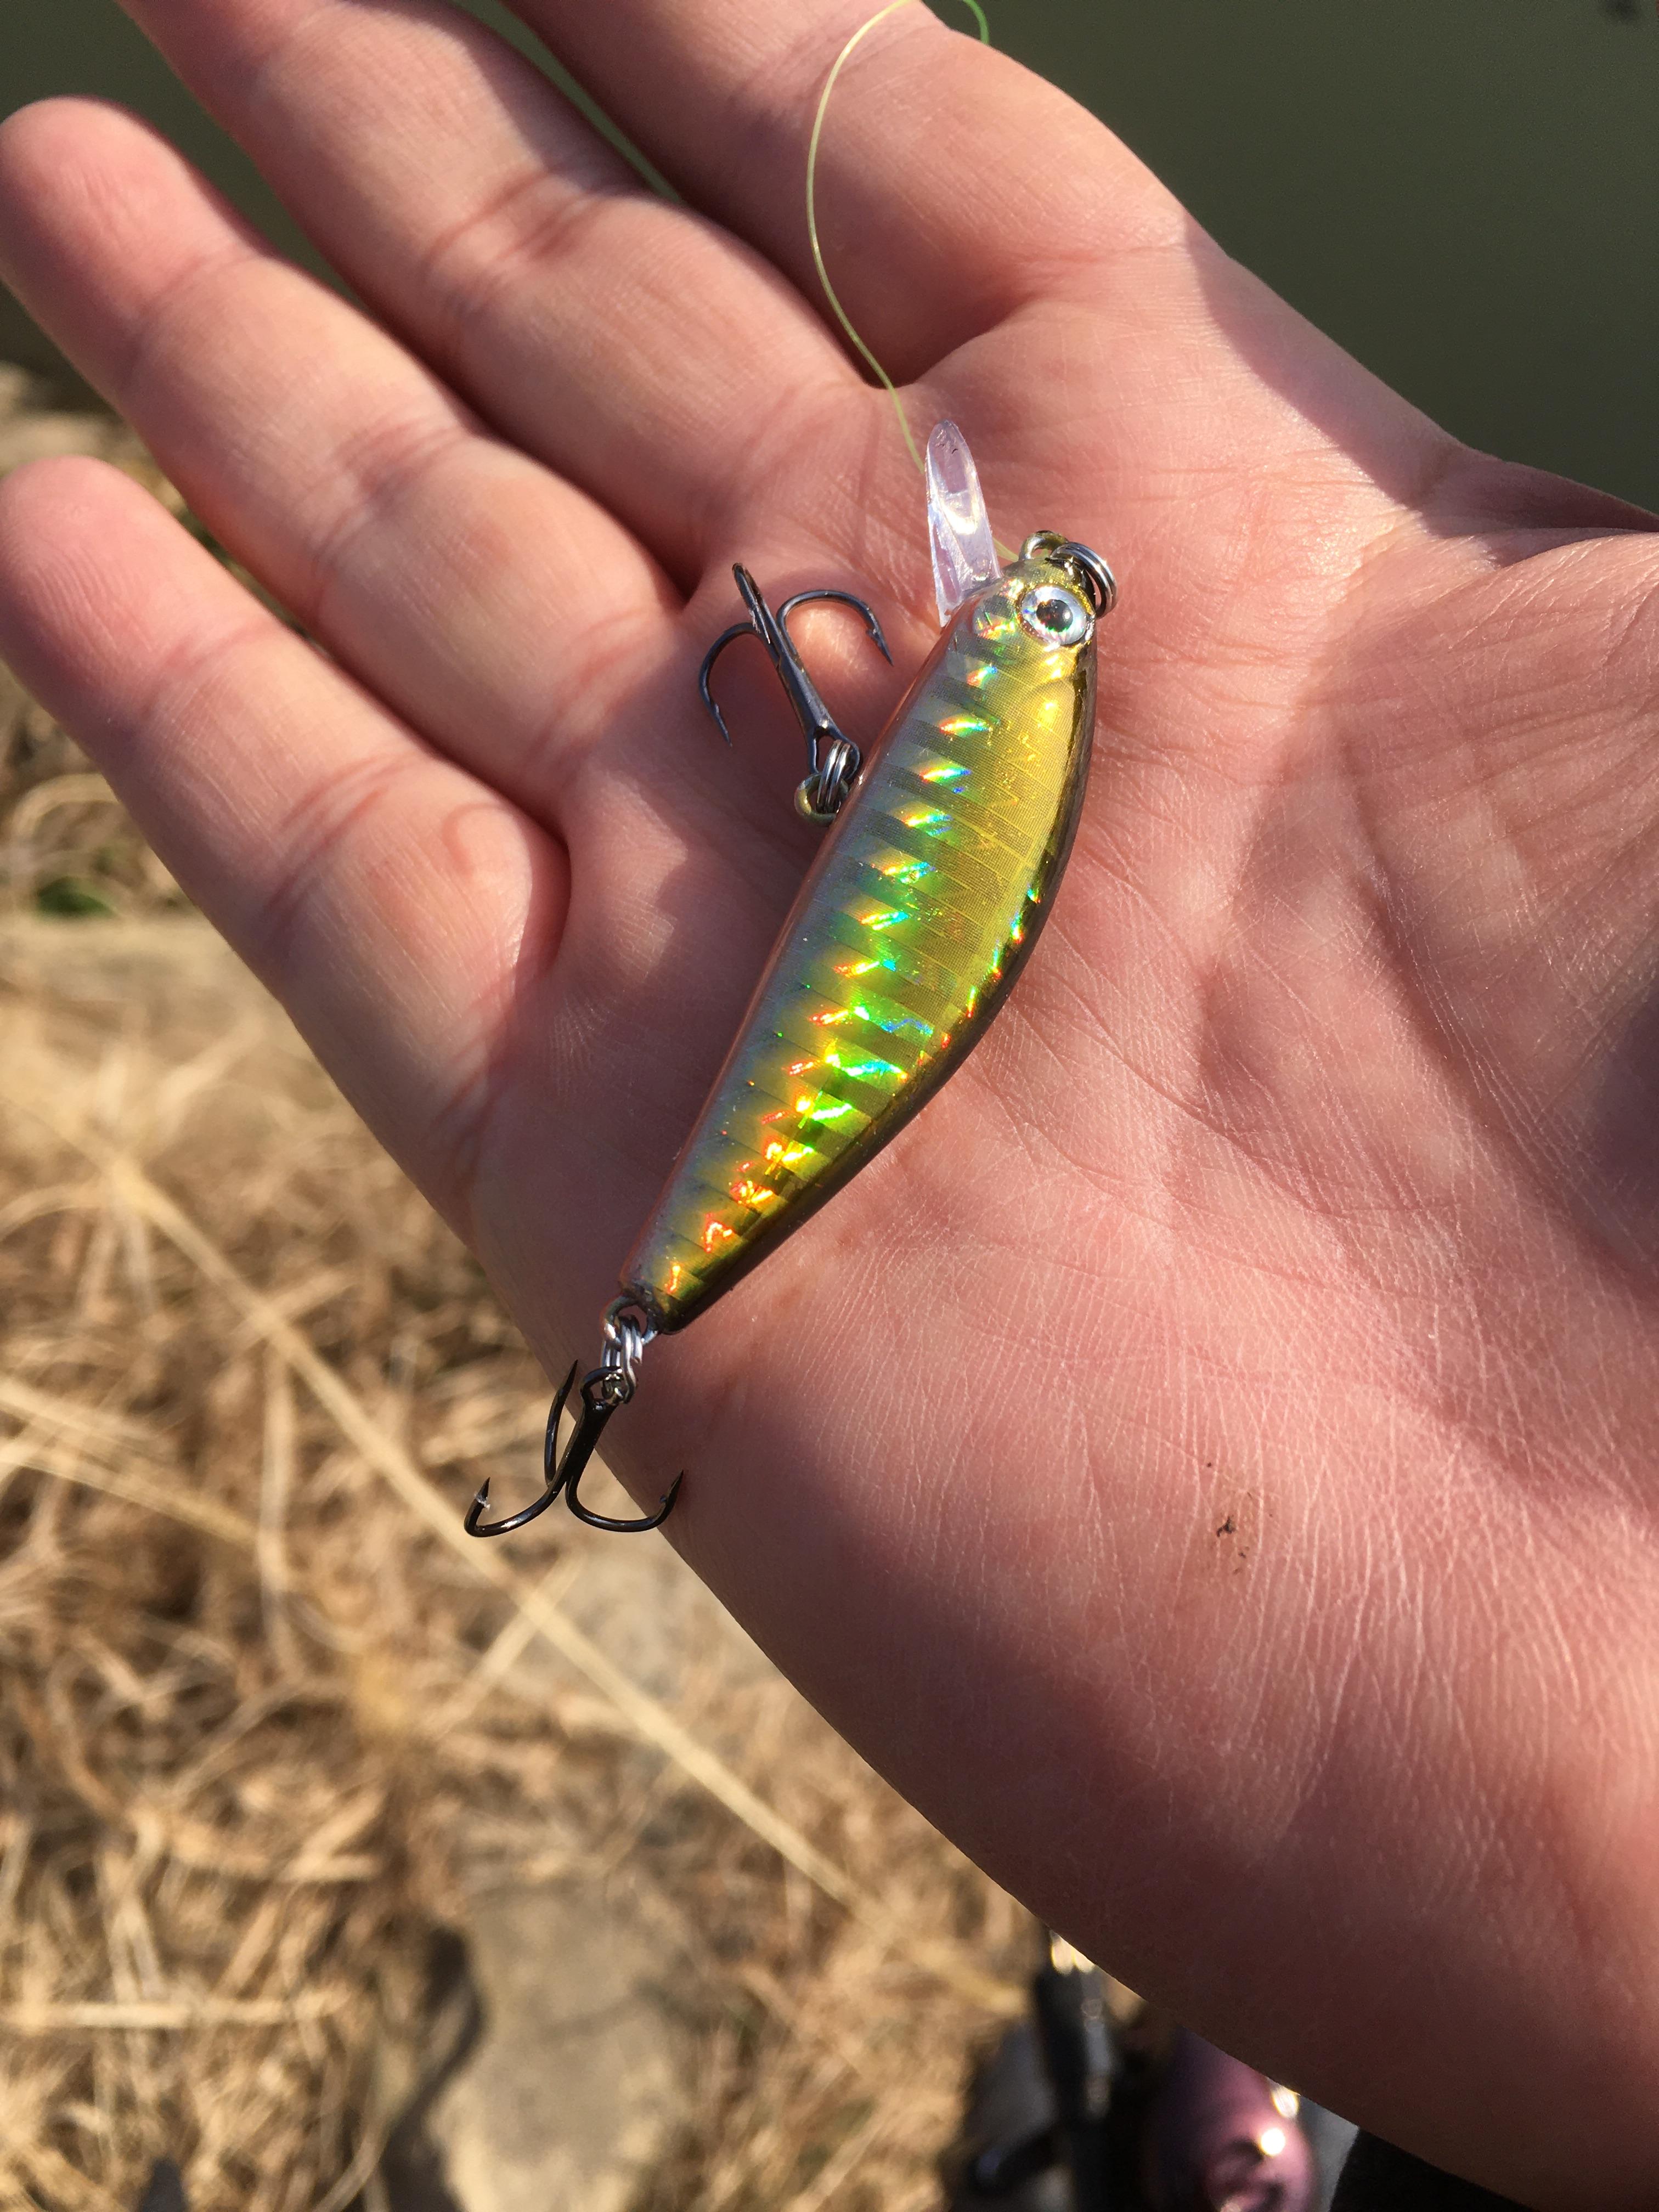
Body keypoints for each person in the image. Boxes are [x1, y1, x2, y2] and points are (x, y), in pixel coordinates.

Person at [0, 5, 1652, 2205]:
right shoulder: (1016, 675)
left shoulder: (1022, 687)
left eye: (1059, 601)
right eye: (1053, 589)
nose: (1051, 598)